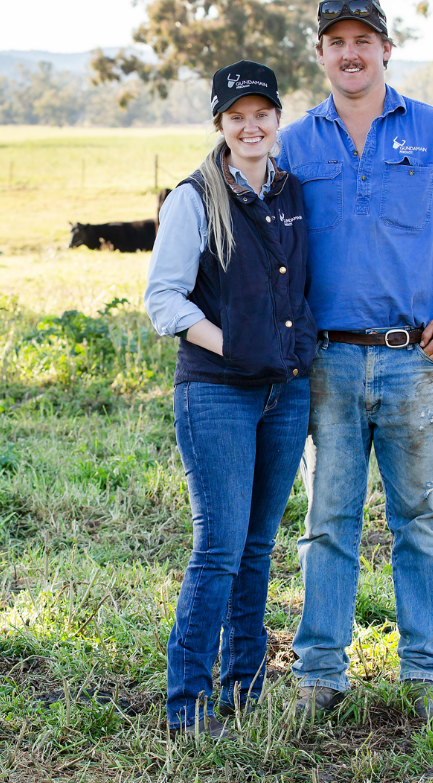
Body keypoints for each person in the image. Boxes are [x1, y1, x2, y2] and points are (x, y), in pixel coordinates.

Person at [276, 0, 433, 719]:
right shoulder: (293, 143)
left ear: (384, 49)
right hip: (327, 361)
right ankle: (320, 675)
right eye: (335, 41)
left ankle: (425, 674)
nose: (349, 52)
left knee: (420, 520)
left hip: (414, 358)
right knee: (327, 521)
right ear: (319, 53)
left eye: (362, 40)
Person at [144, 60, 317, 738]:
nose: (250, 127)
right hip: (217, 392)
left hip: (285, 394)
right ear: (220, 124)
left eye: (261, 114)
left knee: (256, 548)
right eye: (235, 116)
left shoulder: (292, 193)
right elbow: (163, 301)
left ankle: (242, 694)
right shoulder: (193, 197)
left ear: (277, 120)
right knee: (217, 547)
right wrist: (236, 346)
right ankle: (187, 707)